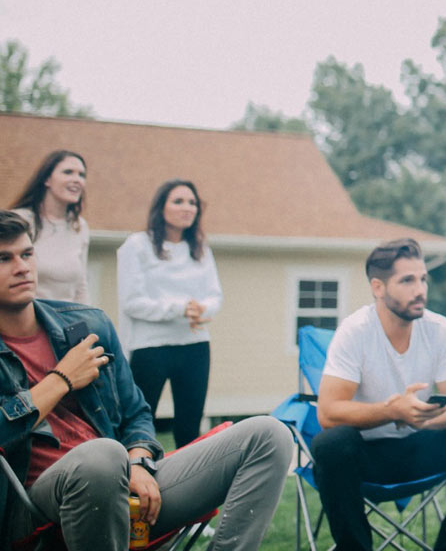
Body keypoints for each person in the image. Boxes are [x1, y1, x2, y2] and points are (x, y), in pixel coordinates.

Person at [0, 209, 292, 551]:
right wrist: (62, 378)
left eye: (27, 254)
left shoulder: (86, 326)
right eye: (4, 258)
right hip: (31, 506)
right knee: (102, 457)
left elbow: (136, 411)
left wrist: (138, 460)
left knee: (269, 435)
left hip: (128, 485)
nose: (21, 267)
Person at [312, 238, 446, 551]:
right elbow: (328, 413)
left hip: (420, 448)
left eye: (423, 279)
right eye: (407, 280)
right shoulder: (355, 331)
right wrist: (393, 410)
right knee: (330, 444)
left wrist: (423, 420)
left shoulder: (438, 328)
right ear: (378, 287)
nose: (420, 289)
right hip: (367, 456)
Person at [117, 179, 222, 447]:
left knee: (190, 426)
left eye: (192, 202)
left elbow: (214, 296)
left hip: (195, 346)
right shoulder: (137, 245)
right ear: (161, 207)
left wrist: (202, 309)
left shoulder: (199, 248)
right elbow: (132, 301)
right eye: (178, 201)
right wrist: (179, 309)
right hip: (150, 348)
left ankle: (189, 484)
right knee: (141, 421)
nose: (187, 208)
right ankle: (137, 481)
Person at [10, 149, 90, 304]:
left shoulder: (80, 226)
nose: (77, 179)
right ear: (47, 179)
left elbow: (81, 286)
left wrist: (87, 323)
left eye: (81, 175)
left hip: (68, 321)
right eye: (68, 172)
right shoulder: (20, 220)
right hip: (29, 320)